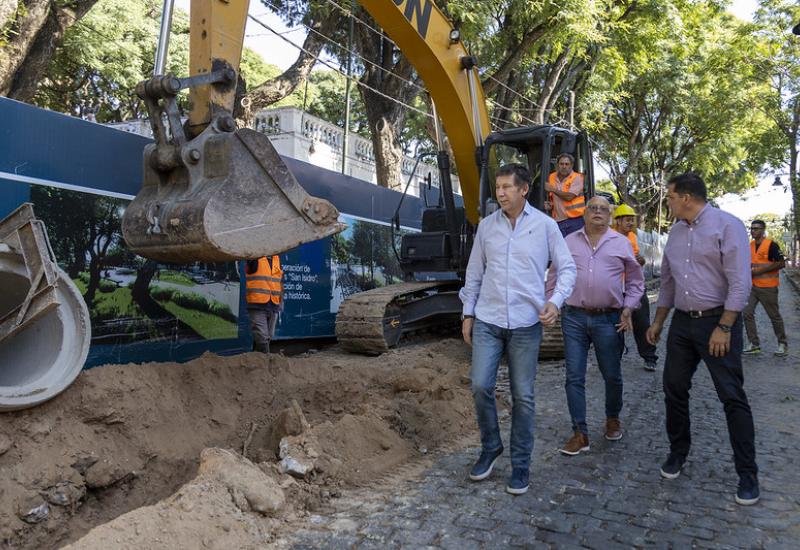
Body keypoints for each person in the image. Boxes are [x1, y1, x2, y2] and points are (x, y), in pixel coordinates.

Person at [460, 163, 576, 495]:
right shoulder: (487, 227)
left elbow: (567, 268)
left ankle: (521, 464)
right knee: (480, 385)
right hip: (489, 319)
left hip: (526, 324)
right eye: (497, 187)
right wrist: (468, 313)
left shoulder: (545, 226)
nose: (500, 193)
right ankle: (491, 446)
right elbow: (474, 273)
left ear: (524, 189)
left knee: (523, 396)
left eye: (507, 187)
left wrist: (556, 301)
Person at [646, 172, 760, 506]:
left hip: (718, 322)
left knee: (732, 396)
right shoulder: (675, 232)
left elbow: (740, 282)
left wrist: (724, 327)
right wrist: (658, 322)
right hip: (683, 324)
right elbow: (668, 283)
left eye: (670, 196)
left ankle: (747, 473)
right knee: (673, 388)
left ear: (685, 197)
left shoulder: (728, 226)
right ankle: (678, 451)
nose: (667, 202)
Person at [547, 196, 644, 455]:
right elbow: (554, 274)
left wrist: (628, 307)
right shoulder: (568, 241)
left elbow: (636, 281)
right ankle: (579, 433)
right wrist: (550, 304)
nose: (598, 212)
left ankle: (612, 418)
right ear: (585, 213)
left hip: (609, 319)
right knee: (573, 376)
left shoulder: (622, 243)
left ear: (609, 215)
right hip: (574, 317)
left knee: (611, 374)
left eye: (603, 209)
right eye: (593, 208)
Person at [613, 203, 659, 371]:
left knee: (642, 323)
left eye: (632, 219)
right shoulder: (609, 237)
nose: (631, 223)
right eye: (627, 219)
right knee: (616, 325)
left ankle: (650, 357)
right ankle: (614, 358)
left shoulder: (632, 236)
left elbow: (637, 260)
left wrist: (641, 260)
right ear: (618, 221)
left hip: (634, 286)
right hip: (616, 288)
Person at [743, 220, 787, 356]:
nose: (753, 231)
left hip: (768, 288)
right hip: (752, 287)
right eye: (751, 228)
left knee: (774, 316)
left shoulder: (771, 245)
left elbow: (781, 263)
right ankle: (754, 344)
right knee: (747, 313)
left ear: (763, 230)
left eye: (756, 228)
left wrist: (759, 272)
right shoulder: (749, 246)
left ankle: (782, 344)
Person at [244, 255, 284, 353]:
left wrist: (280, 301)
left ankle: (259, 359)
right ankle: (266, 359)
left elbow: (280, 282)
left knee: (268, 337)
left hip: (273, 305)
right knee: (262, 338)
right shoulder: (255, 257)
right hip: (257, 304)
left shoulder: (276, 259)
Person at [544, 153, 586, 238]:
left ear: (571, 165)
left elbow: (569, 197)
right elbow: (553, 198)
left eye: (567, 164)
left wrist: (552, 189)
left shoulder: (577, 178)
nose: (564, 166)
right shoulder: (551, 177)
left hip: (575, 221)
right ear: (557, 165)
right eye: (561, 164)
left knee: (573, 246)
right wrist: (550, 205)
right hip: (557, 221)